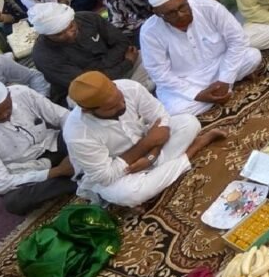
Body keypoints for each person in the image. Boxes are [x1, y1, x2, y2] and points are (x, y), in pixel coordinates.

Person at [63, 70, 225, 207]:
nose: (122, 106)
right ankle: (192, 150)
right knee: (130, 195)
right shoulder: (77, 134)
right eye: (112, 107)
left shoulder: (129, 87)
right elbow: (105, 176)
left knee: (189, 123)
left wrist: (151, 155)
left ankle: (158, 174)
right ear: (88, 111)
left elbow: (161, 118)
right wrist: (147, 144)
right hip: (122, 171)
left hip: (152, 147)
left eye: (121, 99)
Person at [140, 0, 262, 115]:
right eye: (171, 13)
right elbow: (158, 72)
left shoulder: (209, 7)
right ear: (158, 14)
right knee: (175, 111)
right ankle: (222, 91)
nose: (181, 14)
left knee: (253, 57)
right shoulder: (149, 32)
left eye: (182, 7)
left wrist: (225, 79)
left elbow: (237, 40)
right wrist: (197, 94)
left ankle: (220, 91)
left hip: (220, 65)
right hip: (186, 80)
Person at [0, 79, 76, 214]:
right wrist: (57, 171)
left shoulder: (22, 93)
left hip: (53, 146)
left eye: (7, 108)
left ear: (9, 95)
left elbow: (65, 118)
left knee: (82, 132)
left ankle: (74, 176)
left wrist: (76, 146)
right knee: (15, 202)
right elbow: (1, 184)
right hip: (24, 169)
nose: (4, 115)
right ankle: (76, 176)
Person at [28, 0, 152, 105]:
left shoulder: (87, 18)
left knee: (145, 55)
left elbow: (122, 43)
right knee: (82, 98)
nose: (69, 34)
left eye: (71, 27)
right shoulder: (43, 56)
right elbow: (87, 83)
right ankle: (134, 95)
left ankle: (131, 97)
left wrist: (99, 67)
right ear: (47, 35)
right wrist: (127, 64)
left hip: (116, 68)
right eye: (59, 34)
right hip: (90, 88)